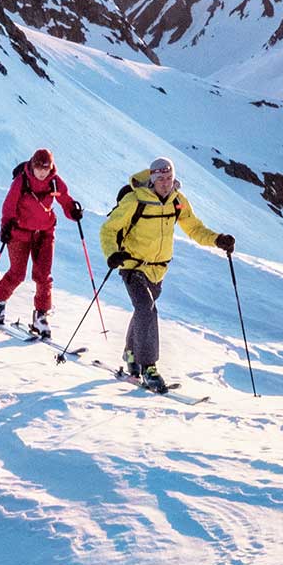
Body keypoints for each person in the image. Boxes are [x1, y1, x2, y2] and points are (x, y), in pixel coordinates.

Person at [99, 156, 233, 392]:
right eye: (160, 178)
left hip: (159, 268)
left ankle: (131, 353)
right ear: (152, 178)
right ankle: (149, 367)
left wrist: (217, 239)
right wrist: (112, 254)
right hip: (132, 264)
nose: (165, 183)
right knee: (146, 308)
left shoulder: (177, 201)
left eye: (169, 178)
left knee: (143, 310)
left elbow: (194, 228)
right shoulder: (135, 200)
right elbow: (109, 229)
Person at [0, 148, 82, 335]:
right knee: (17, 274)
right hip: (19, 233)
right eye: (38, 167)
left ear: (50, 167)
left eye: (45, 168)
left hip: (45, 234)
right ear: (32, 165)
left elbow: (65, 200)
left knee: (43, 275)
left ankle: (41, 316)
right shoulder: (22, 181)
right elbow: (9, 206)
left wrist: (73, 211)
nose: (41, 172)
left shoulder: (55, 182)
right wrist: (5, 227)